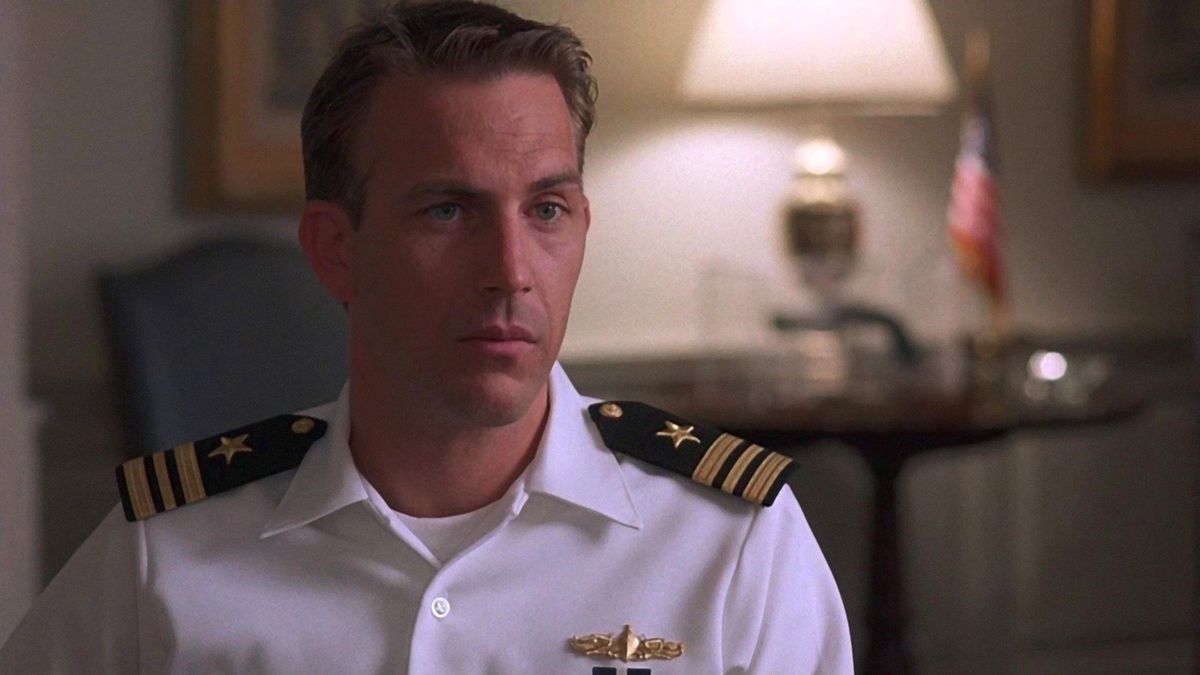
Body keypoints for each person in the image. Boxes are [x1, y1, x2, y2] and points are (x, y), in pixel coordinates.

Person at [0, 1, 852, 672]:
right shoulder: (169, 554)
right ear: (336, 250)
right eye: (448, 210)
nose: (510, 270)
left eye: (546, 210)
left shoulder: (729, 539)